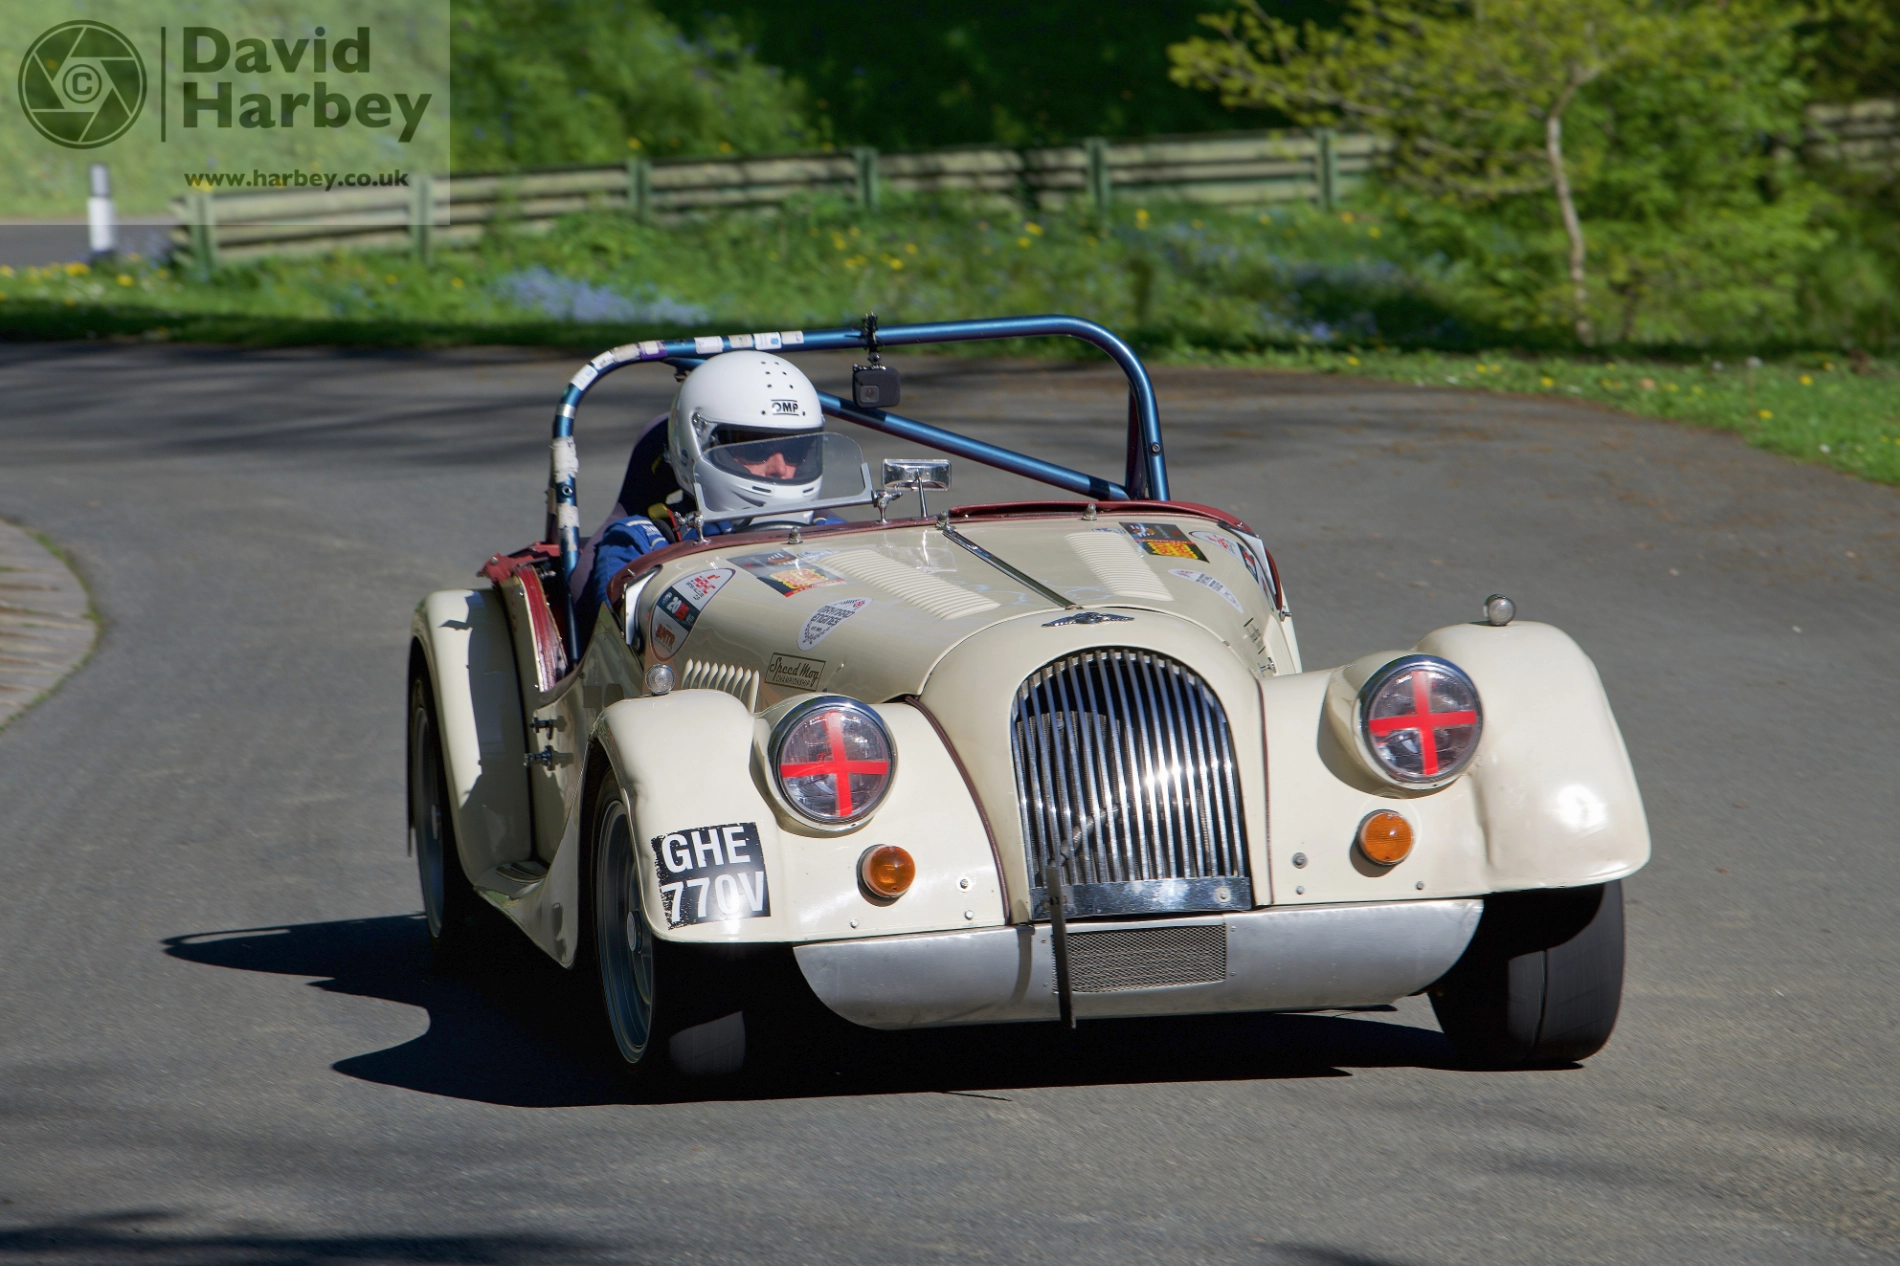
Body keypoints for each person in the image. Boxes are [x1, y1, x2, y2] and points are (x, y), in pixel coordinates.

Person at [570, 351, 834, 645]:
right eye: (755, 449)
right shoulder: (641, 542)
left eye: (796, 451)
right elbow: (627, 652)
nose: (781, 469)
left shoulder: (834, 528)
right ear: (696, 444)